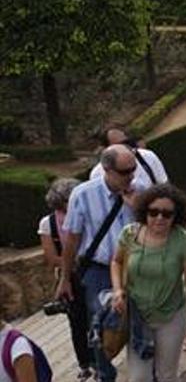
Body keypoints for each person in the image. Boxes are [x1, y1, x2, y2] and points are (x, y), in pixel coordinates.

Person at [56, 145, 143, 382]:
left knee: (141, 319)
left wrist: (136, 206)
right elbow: (72, 241)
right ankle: (104, 372)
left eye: (134, 169)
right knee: (102, 319)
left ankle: (144, 369)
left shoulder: (140, 191)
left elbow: (156, 229)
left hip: (137, 268)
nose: (131, 176)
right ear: (107, 170)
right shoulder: (83, 194)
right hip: (99, 268)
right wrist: (65, 278)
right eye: (125, 171)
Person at [110, 184, 186, 382]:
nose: (159, 218)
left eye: (167, 214)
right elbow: (116, 262)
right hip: (137, 317)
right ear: (145, 212)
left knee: (166, 375)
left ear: (175, 216)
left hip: (170, 315)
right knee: (139, 377)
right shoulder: (129, 234)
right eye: (153, 212)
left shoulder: (183, 241)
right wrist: (117, 290)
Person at [36, 177, 92, 381]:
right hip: (70, 278)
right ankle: (85, 363)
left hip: (93, 271)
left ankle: (100, 358)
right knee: (77, 321)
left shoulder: (87, 214)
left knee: (97, 317)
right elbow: (51, 258)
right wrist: (71, 265)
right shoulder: (48, 223)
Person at [90, 126, 168, 188]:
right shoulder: (97, 173)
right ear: (106, 149)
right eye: (120, 145)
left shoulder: (147, 156)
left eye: (127, 142)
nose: (126, 147)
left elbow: (165, 186)